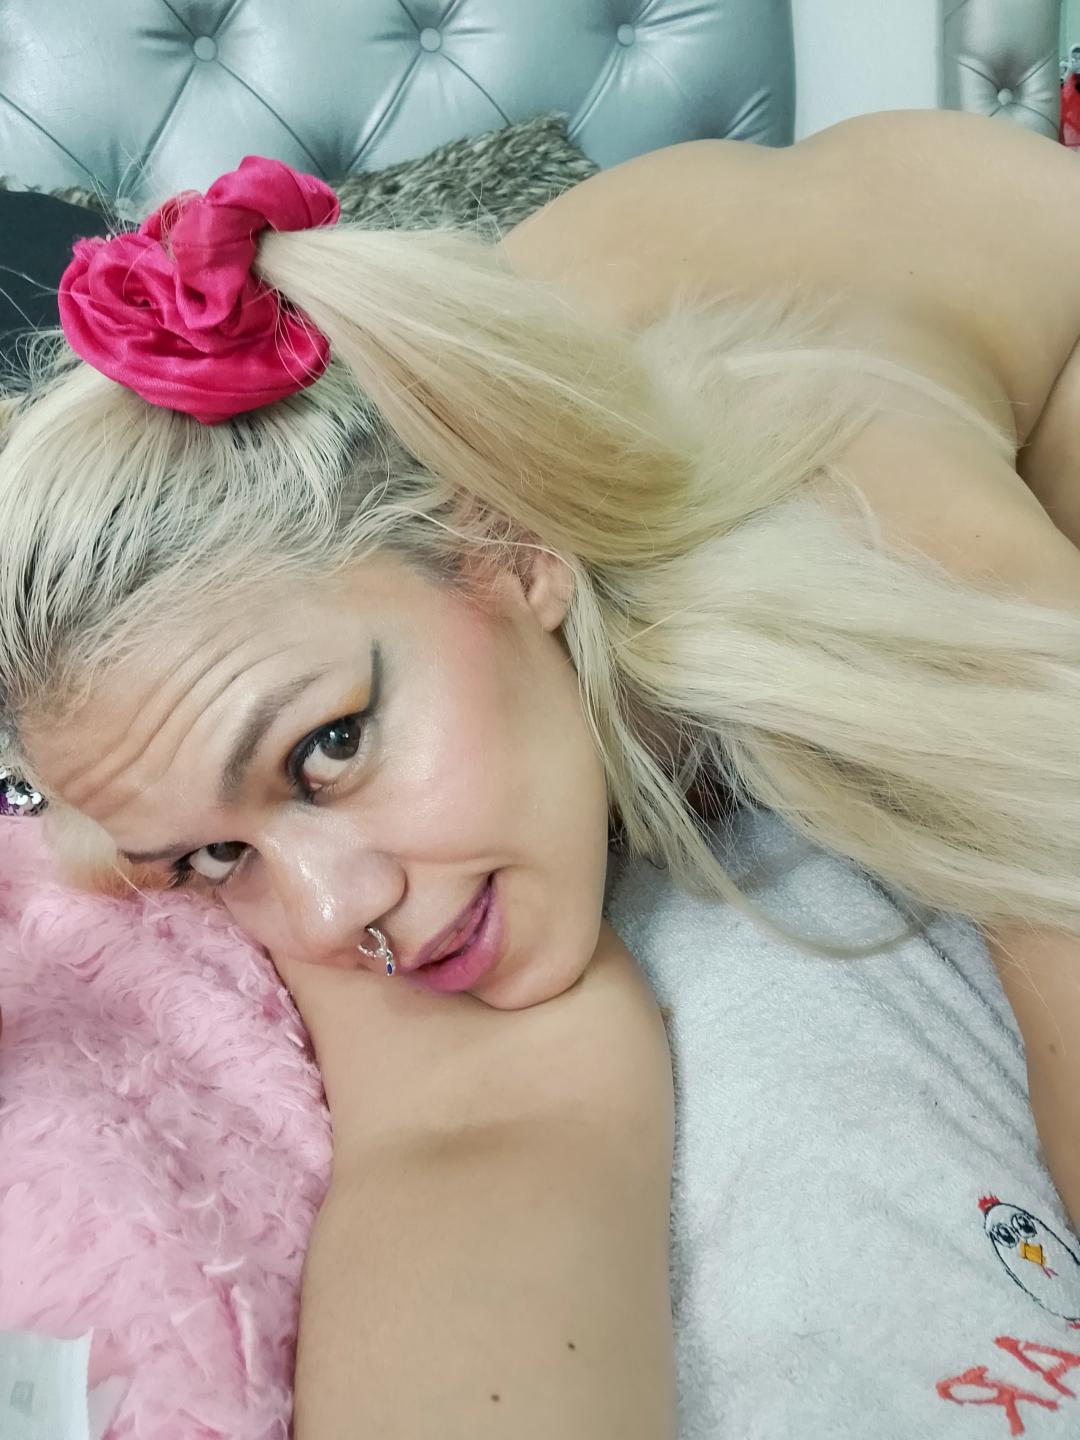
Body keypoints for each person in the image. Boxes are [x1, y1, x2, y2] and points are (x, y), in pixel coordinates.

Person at [0, 106, 1079, 1435]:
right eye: (219, 856)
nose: (332, 917)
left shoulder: (866, 531)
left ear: (514, 551)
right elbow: (472, 1132)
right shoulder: (311, 632)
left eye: (328, 749)